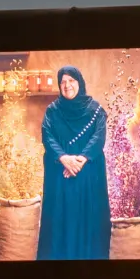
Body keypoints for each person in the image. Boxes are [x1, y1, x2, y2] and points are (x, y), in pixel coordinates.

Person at [38, 65, 110, 260]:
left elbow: (99, 137)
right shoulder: (52, 111)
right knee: (60, 222)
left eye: (71, 81)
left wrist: (81, 160)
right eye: (63, 82)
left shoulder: (95, 109)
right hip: (60, 179)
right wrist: (64, 158)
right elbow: (47, 136)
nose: (67, 85)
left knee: (88, 221)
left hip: (88, 178)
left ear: (80, 82)